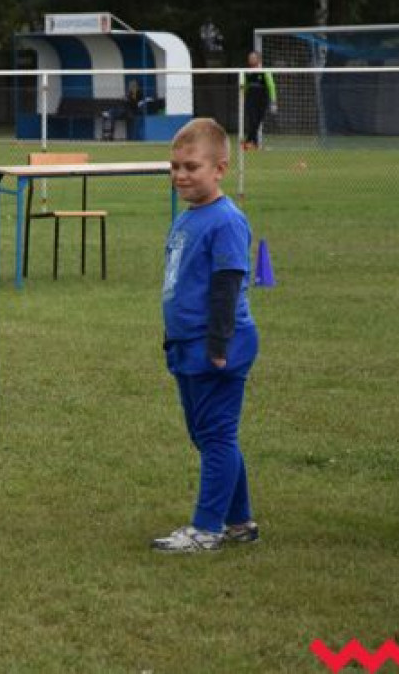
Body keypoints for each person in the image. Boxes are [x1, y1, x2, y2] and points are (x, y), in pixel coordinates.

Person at [153, 118, 259, 553]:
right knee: (207, 436)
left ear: (220, 169)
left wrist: (218, 345)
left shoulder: (226, 220)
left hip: (217, 345)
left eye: (191, 167)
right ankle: (239, 521)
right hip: (187, 344)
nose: (180, 175)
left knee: (216, 437)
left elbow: (226, 285)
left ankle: (206, 528)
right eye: (175, 166)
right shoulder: (188, 218)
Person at [240, 50, 277, 150]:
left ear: (259, 59)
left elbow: (271, 86)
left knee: (258, 121)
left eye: (253, 57)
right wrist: (242, 95)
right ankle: (249, 143)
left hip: (262, 99)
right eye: (249, 58)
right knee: (253, 120)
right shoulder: (246, 72)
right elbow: (244, 86)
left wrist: (273, 101)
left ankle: (252, 143)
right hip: (250, 98)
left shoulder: (265, 71)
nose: (250, 59)